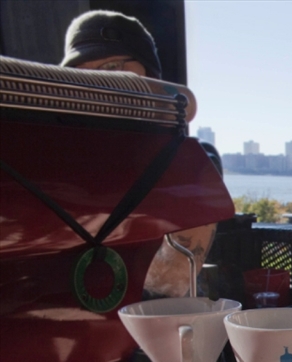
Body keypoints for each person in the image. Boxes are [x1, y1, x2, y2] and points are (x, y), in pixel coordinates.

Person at [61, 9, 220, 299]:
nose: (96, 84)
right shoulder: (56, 159)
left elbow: (169, 283)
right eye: (81, 74)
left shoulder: (188, 160)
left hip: (158, 330)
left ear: (149, 74)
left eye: (111, 68)